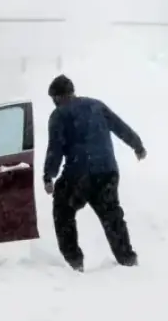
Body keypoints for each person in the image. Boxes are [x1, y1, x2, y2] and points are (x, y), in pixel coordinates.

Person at [42, 74, 146, 272]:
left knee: (63, 211)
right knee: (112, 215)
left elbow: (55, 149)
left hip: (78, 175)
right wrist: (137, 145)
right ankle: (127, 259)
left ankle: (74, 261)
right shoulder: (96, 106)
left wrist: (49, 176)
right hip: (107, 171)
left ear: (57, 97)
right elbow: (119, 126)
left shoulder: (59, 115)